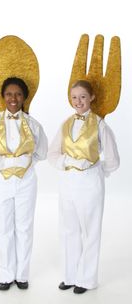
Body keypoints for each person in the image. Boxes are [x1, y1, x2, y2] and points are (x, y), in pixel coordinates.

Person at [48, 80, 120, 294]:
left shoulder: (99, 124)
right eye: (74, 97)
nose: (78, 101)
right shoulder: (66, 124)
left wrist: (96, 171)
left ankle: (87, 279)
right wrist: (68, 163)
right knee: (69, 229)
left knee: (91, 231)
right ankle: (70, 276)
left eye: (82, 97)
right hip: (68, 183)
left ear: (92, 98)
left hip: (90, 184)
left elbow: (113, 159)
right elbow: (52, 154)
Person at [0, 77, 48, 291]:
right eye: (9, 94)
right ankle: (5, 274)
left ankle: (22, 275)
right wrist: (10, 163)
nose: (13, 98)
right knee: (3, 228)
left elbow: (42, 152)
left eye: (18, 94)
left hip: (26, 182)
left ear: (24, 97)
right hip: (0, 182)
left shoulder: (33, 124)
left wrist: (25, 165)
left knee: (24, 228)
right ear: (2, 96)